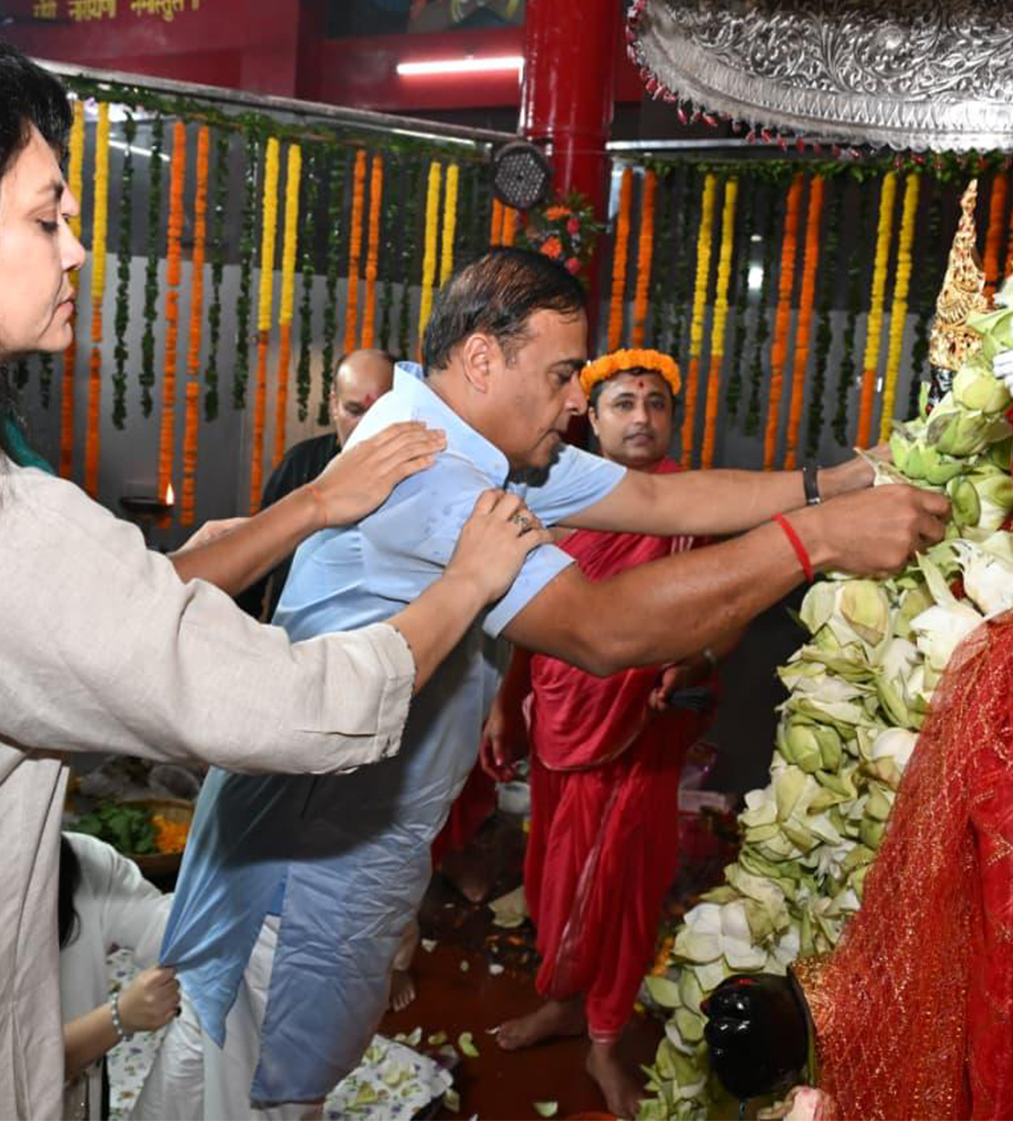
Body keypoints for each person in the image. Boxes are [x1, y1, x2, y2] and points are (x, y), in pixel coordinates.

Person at [0, 37, 547, 1119]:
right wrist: (464, 585)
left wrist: (311, 507)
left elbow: (91, 607)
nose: (78, 251)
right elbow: (295, 704)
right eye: (46, 219)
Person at [149, 247, 950, 1118]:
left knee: (276, 1080)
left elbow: (658, 504)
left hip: (352, 849)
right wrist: (820, 539)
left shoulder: (476, 437)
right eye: (566, 374)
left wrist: (830, 482)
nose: (580, 401)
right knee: (240, 1085)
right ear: (485, 359)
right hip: (295, 876)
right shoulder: (432, 477)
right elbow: (602, 630)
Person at [482, 347, 726, 1116]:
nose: (643, 418)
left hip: (637, 739)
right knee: (554, 876)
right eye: (625, 403)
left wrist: (697, 659)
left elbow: (729, 610)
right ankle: (561, 998)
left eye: (656, 404)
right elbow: (532, 613)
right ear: (593, 415)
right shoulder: (555, 495)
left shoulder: (693, 505)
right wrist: (504, 704)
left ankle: (604, 1042)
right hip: (559, 719)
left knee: (619, 891)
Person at [236, 348, 397, 621]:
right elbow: (253, 570)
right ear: (334, 405)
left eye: (380, 411)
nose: (367, 425)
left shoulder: (419, 473)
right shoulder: (299, 465)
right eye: (354, 410)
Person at [58, 832, 181, 1121]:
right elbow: (7, 1066)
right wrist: (118, 1016)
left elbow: (160, 926)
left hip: (81, 1094)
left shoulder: (84, 859)